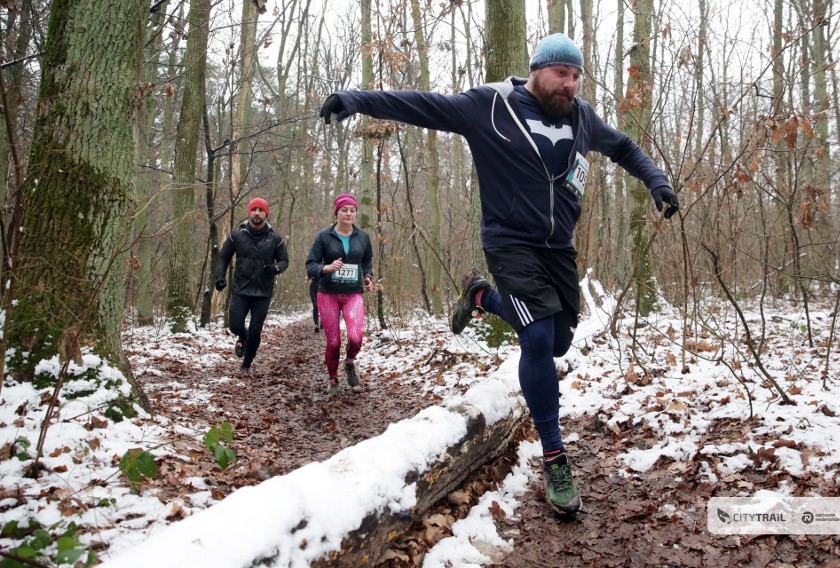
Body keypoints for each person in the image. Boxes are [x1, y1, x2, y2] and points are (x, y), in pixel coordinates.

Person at [319, 33, 678, 515]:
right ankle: (555, 456)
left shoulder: (583, 118)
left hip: (557, 248)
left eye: (576, 77)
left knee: (558, 342)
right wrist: (357, 100)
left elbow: (625, 147)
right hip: (509, 243)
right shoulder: (492, 106)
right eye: (561, 74)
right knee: (536, 339)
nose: (570, 85)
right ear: (537, 69)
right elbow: (423, 105)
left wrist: (657, 181)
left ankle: (482, 298)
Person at [305, 193, 375, 396]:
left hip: (353, 293)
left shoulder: (363, 237)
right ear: (337, 212)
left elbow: (367, 261)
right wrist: (326, 268)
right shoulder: (324, 237)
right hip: (328, 294)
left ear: (356, 213)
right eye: (344, 210)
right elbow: (310, 265)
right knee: (334, 341)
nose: (348, 214)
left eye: (352, 210)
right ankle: (333, 378)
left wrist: (368, 276)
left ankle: (350, 362)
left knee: (356, 336)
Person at [215, 197, 289, 378]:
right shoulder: (237, 235)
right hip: (241, 289)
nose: (257, 213)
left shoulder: (275, 238)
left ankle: (246, 364)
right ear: (249, 213)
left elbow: (284, 260)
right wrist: (219, 276)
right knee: (235, 326)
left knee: (256, 331)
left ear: (266, 214)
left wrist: (276, 268)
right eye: (254, 210)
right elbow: (224, 256)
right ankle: (243, 336)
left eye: (261, 210)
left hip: (263, 292)